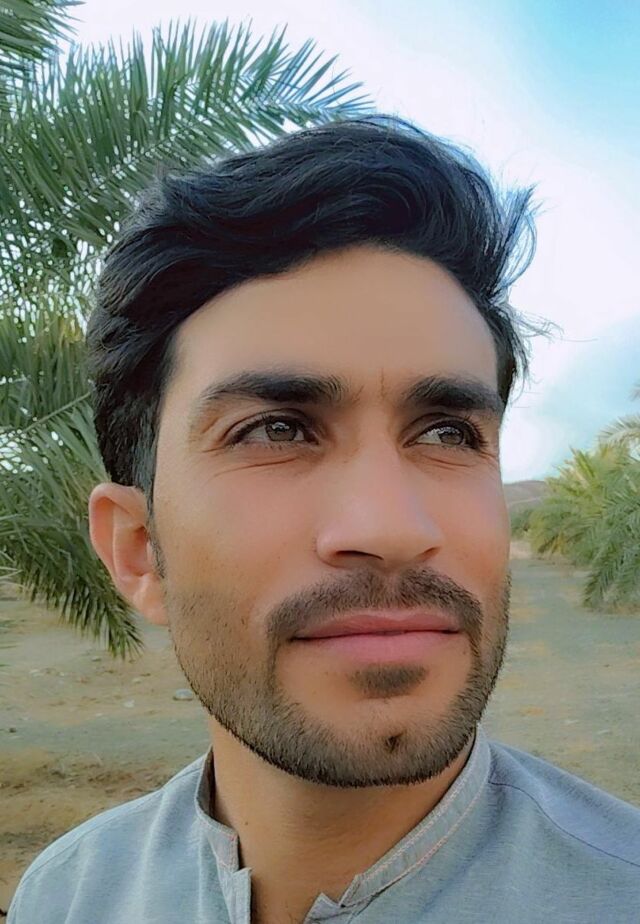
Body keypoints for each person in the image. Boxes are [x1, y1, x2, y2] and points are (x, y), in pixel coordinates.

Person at [8, 116, 639, 924]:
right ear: (138, 551)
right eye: (276, 429)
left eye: (449, 434)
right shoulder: (69, 895)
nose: (392, 527)